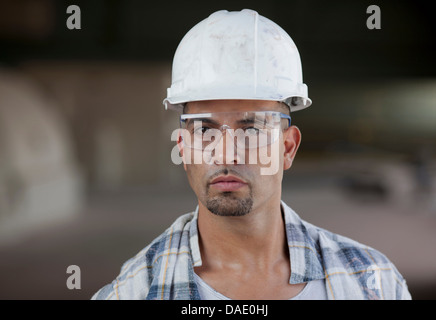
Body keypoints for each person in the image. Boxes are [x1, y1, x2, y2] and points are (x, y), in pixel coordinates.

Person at [91, 9, 411, 300]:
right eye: (204, 129)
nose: (227, 154)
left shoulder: (373, 283)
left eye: (252, 129)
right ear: (183, 149)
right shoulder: (133, 292)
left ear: (288, 147)